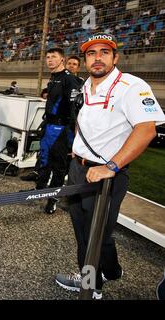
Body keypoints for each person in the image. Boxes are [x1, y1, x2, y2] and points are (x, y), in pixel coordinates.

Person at [55, 33, 165, 299]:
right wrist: (77, 149)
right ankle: (112, 270)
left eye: (104, 52)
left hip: (105, 174)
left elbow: (146, 129)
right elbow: (85, 120)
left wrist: (112, 166)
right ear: (85, 60)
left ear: (115, 57)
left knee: (91, 235)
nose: (97, 58)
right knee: (88, 228)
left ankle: (90, 284)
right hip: (80, 169)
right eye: (91, 54)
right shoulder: (84, 86)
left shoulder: (131, 86)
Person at [33, 48, 82, 214]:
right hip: (49, 127)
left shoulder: (70, 80)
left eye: (54, 57)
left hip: (62, 130)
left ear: (62, 59)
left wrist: (75, 136)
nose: (49, 60)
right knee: (44, 160)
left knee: (59, 167)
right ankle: (39, 191)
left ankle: (52, 200)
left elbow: (75, 109)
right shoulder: (53, 78)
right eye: (47, 57)